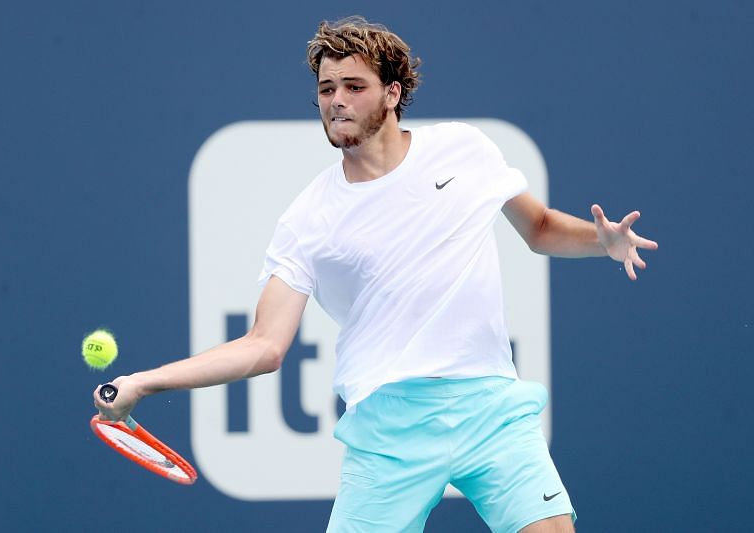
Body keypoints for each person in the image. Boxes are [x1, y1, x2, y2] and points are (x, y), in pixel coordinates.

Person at [94, 16, 658, 533]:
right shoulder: (308, 218)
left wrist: (600, 241)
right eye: (325, 89)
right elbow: (264, 346)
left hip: (489, 407)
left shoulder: (462, 148)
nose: (336, 101)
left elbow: (537, 228)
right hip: (388, 430)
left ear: (393, 93)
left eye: (353, 87)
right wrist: (145, 381)